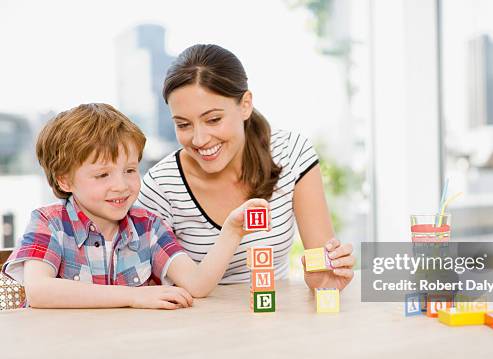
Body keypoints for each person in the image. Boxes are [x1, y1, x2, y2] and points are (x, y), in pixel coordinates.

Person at [1, 103, 268, 309]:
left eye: (130, 170)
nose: (122, 185)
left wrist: (232, 231)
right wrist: (134, 296)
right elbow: (39, 291)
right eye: (102, 175)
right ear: (64, 180)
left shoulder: (148, 227)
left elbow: (197, 284)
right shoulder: (49, 222)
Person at [137, 44, 355, 289]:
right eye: (184, 125)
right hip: (194, 322)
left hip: (272, 317)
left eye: (213, 119)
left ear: (245, 104)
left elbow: (322, 262)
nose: (199, 140)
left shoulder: (291, 153)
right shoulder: (160, 186)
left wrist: (324, 278)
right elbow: (152, 286)